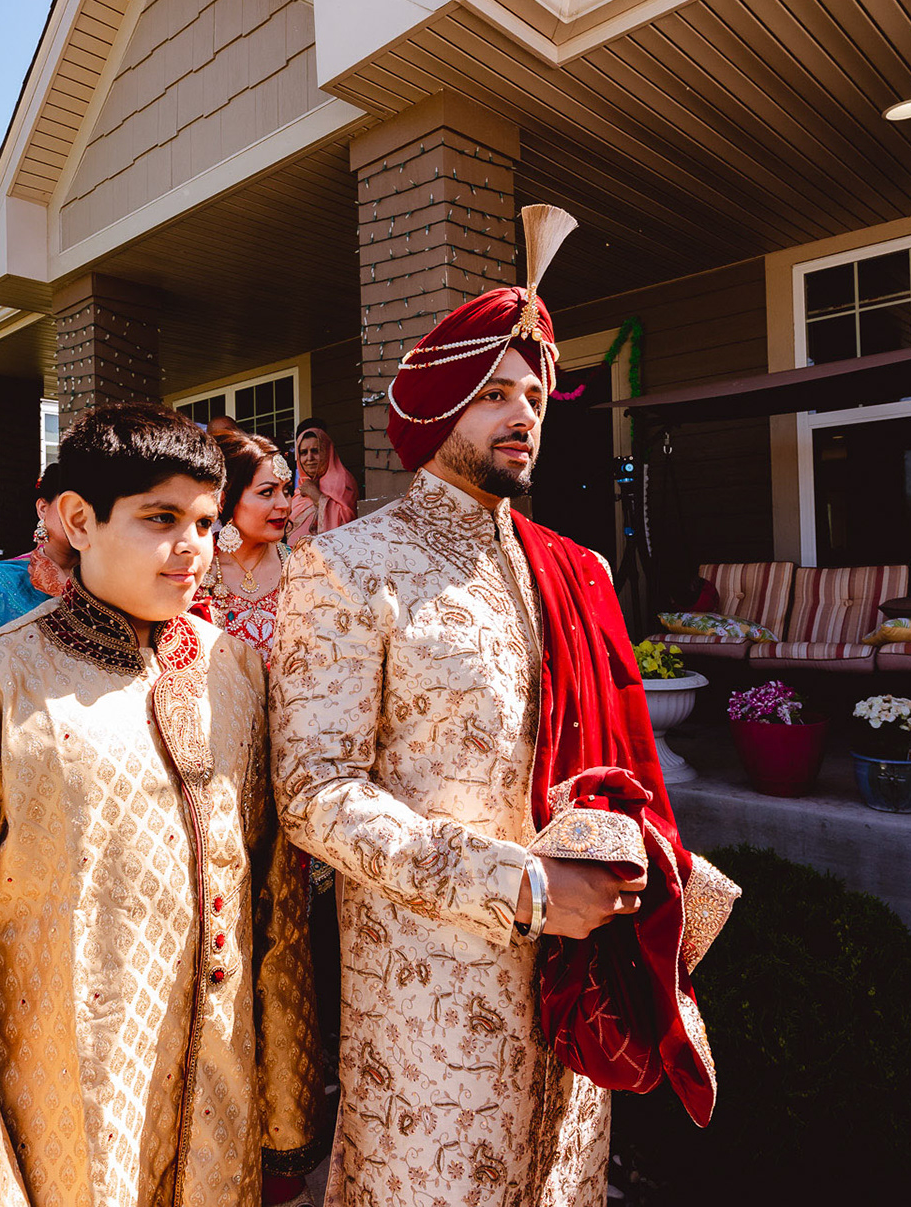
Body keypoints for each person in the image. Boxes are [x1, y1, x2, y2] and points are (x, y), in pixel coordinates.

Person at [269, 206, 741, 1205]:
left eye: (533, 394)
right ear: (435, 409)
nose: (522, 414)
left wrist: (628, 868)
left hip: (576, 987)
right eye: (492, 393)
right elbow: (314, 791)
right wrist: (519, 885)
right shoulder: (345, 566)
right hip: (429, 1008)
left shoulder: (577, 570)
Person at [0, 402, 323, 1207]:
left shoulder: (235, 675)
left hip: (220, 1107)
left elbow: (273, 901)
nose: (191, 546)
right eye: (161, 518)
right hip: (62, 1119)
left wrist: (284, 1106)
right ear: (80, 520)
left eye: (204, 521)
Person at [199, 428, 295, 663]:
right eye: (267, 492)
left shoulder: (302, 568)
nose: (284, 504)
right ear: (224, 500)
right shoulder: (194, 569)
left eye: (287, 491)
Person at [0, 462, 76, 635]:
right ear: (42, 509)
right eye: (71, 504)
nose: (82, 515)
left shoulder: (107, 580)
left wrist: (62, 591)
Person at [284, 420, 357, 546]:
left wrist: (316, 496)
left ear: (327, 451)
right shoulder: (300, 487)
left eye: (315, 451)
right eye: (303, 452)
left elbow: (347, 525)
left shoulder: (342, 481)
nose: (309, 458)